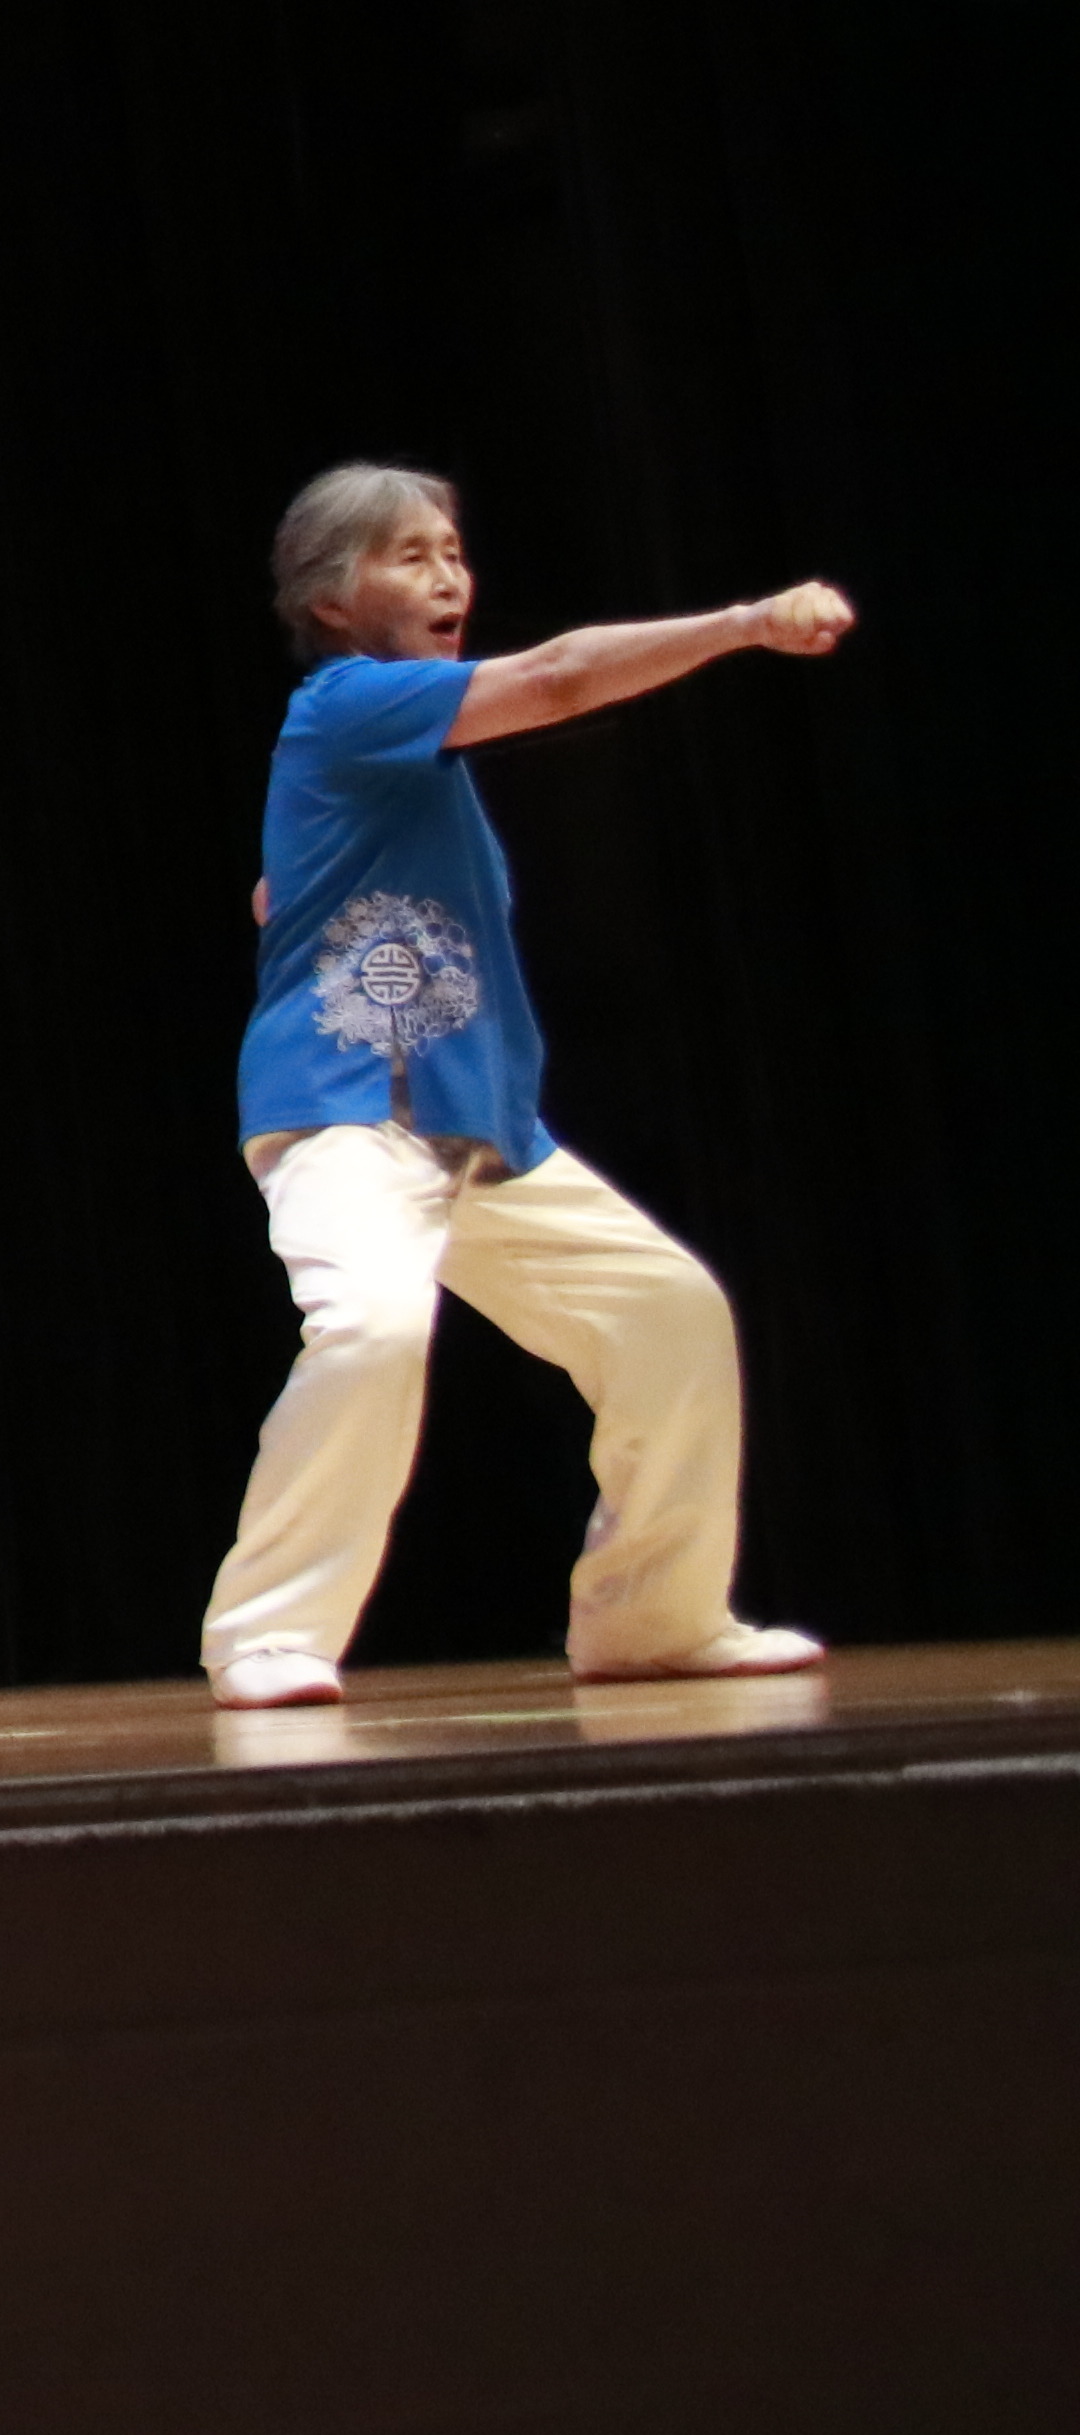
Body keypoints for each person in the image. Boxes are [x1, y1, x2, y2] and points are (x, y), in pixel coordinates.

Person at [202, 465, 846, 1708]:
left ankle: (652, 1617)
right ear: (331, 601)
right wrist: (744, 623)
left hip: (478, 1128)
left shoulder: (414, 765)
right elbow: (557, 678)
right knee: (373, 1324)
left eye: (452, 550)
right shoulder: (351, 703)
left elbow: (299, 890)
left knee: (669, 1314)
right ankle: (268, 1633)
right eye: (408, 555)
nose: (448, 574)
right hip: (350, 1113)